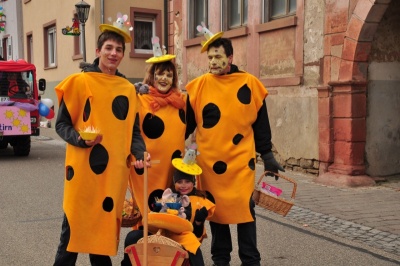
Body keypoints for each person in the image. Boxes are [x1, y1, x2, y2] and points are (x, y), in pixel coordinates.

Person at [53, 15, 150, 266]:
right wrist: (79, 139)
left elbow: (134, 132)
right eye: (109, 48)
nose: (113, 53)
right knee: (71, 235)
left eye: (119, 49)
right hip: (83, 173)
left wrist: (139, 153)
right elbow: (61, 124)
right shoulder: (79, 82)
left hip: (112, 176)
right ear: (98, 51)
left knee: (102, 236)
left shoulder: (127, 89)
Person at [185, 26, 285, 266]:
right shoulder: (197, 87)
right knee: (216, 212)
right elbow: (184, 125)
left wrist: (267, 155)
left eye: (218, 56)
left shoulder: (249, 84)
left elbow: (261, 125)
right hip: (210, 163)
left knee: (244, 210)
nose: (213, 61)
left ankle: (250, 260)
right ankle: (221, 260)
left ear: (230, 58)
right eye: (210, 57)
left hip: (241, 161)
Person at [129, 36, 187, 224]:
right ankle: (144, 249)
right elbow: (130, 131)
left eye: (169, 75)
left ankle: (168, 249)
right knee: (149, 213)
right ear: (152, 76)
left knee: (172, 211)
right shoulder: (141, 99)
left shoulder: (181, 102)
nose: (164, 78)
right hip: (148, 169)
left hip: (172, 168)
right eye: (160, 74)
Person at [122, 152, 215, 266]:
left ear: (193, 182)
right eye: (179, 182)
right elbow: (156, 219)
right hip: (161, 233)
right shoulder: (169, 196)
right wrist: (156, 210)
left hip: (183, 237)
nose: (183, 185)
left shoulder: (200, 201)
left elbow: (197, 235)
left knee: (194, 250)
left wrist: (199, 222)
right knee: (132, 237)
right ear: (174, 183)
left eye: (187, 181)